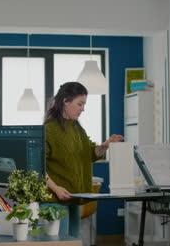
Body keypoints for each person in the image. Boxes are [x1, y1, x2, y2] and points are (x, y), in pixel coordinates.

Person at [43, 82, 124, 238]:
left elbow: (90, 154)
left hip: (74, 197)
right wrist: (56, 189)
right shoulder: (49, 129)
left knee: (73, 240)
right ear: (65, 101)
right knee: (61, 242)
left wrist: (106, 145)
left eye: (84, 104)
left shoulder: (77, 128)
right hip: (55, 199)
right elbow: (37, 166)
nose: (83, 109)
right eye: (79, 104)